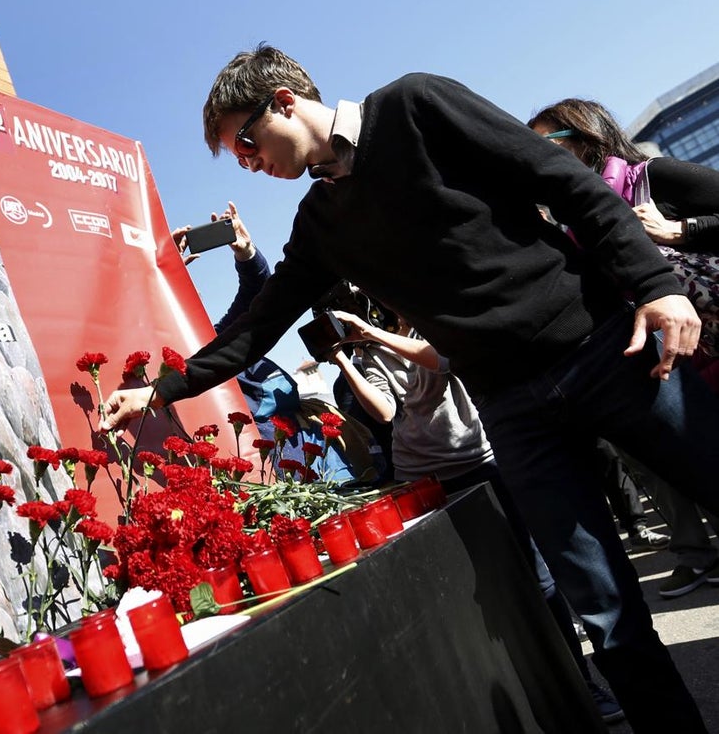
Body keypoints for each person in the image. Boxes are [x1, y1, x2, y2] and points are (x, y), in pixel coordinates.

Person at [101, 44, 719, 733]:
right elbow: (259, 322)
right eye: (236, 157)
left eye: (244, 143)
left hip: (606, 348)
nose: (248, 164)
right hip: (514, 413)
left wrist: (658, 287)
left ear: (282, 101)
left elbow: (565, 183)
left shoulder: (416, 105)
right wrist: (165, 387)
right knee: (608, 617)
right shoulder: (319, 225)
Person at [324, 304, 623, 721]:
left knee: (539, 575)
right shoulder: (369, 353)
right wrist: (343, 358)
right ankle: (513, 689)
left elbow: (440, 359)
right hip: (421, 481)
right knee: (460, 587)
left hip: (481, 460)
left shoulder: (439, 319)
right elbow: (385, 412)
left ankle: (583, 682)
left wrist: (374, 335)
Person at [529, 98, 719, 599]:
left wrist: (681, 230)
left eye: (544, 144)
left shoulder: (654, 176)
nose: (534, 159)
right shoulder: (573, 224)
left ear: (585, 138)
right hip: (685, 351)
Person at [173, 203, 381, 484]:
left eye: (189, 287)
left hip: (322, 457)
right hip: (278, 473)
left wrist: (246, 253)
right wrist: (164, 276)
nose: (190, 295)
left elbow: (257, 293)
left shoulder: (219, 337)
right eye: (177, 291)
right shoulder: (180, 363)